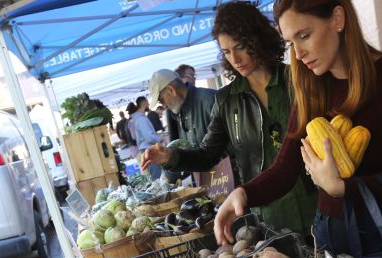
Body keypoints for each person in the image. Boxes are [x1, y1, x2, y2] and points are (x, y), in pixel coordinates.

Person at [214, 0, 382, 255]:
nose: (298, 54)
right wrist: (243, 194)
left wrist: (342, 188)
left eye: (304, 36)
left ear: (337, 19)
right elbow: (286, 167)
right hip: (330, 232)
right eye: (291, 43)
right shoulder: (311, 87)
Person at [142, 1, 317, 236]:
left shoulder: (297, 80)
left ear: (259, 38)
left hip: (316, 204)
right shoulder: (227, 100)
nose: (235, 58)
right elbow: (207, 154)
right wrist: (171, 156)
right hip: (267, 216)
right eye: (226, 51)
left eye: (240, 46)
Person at [127, 97, 164, 180]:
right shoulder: (141, 119)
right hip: (149, 150)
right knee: (156, 177)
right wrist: (160, 138)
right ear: (144, 103)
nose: (148, 105)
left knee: (155, 176)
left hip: (146, 150)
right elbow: (149, 137)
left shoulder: (138, 119)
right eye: (147, 103)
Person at [166, 64, 197, 141]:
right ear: (179, 79)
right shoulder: (171, 106)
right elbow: (174, 137)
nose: (194, 78)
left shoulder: (200, 98)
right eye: (191, 75)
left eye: (194, 75)